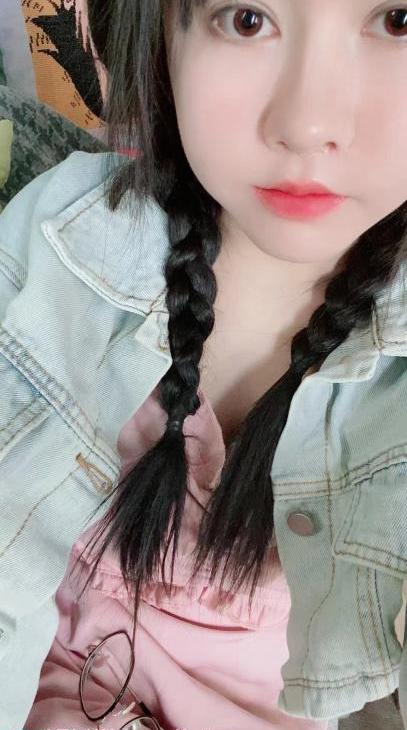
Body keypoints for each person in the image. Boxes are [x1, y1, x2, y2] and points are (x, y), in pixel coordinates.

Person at [1, 0, 407, 728]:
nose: (306, 125)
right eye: (246, 19)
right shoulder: (64, 231)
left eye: (399, 22)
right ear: (159, 32)